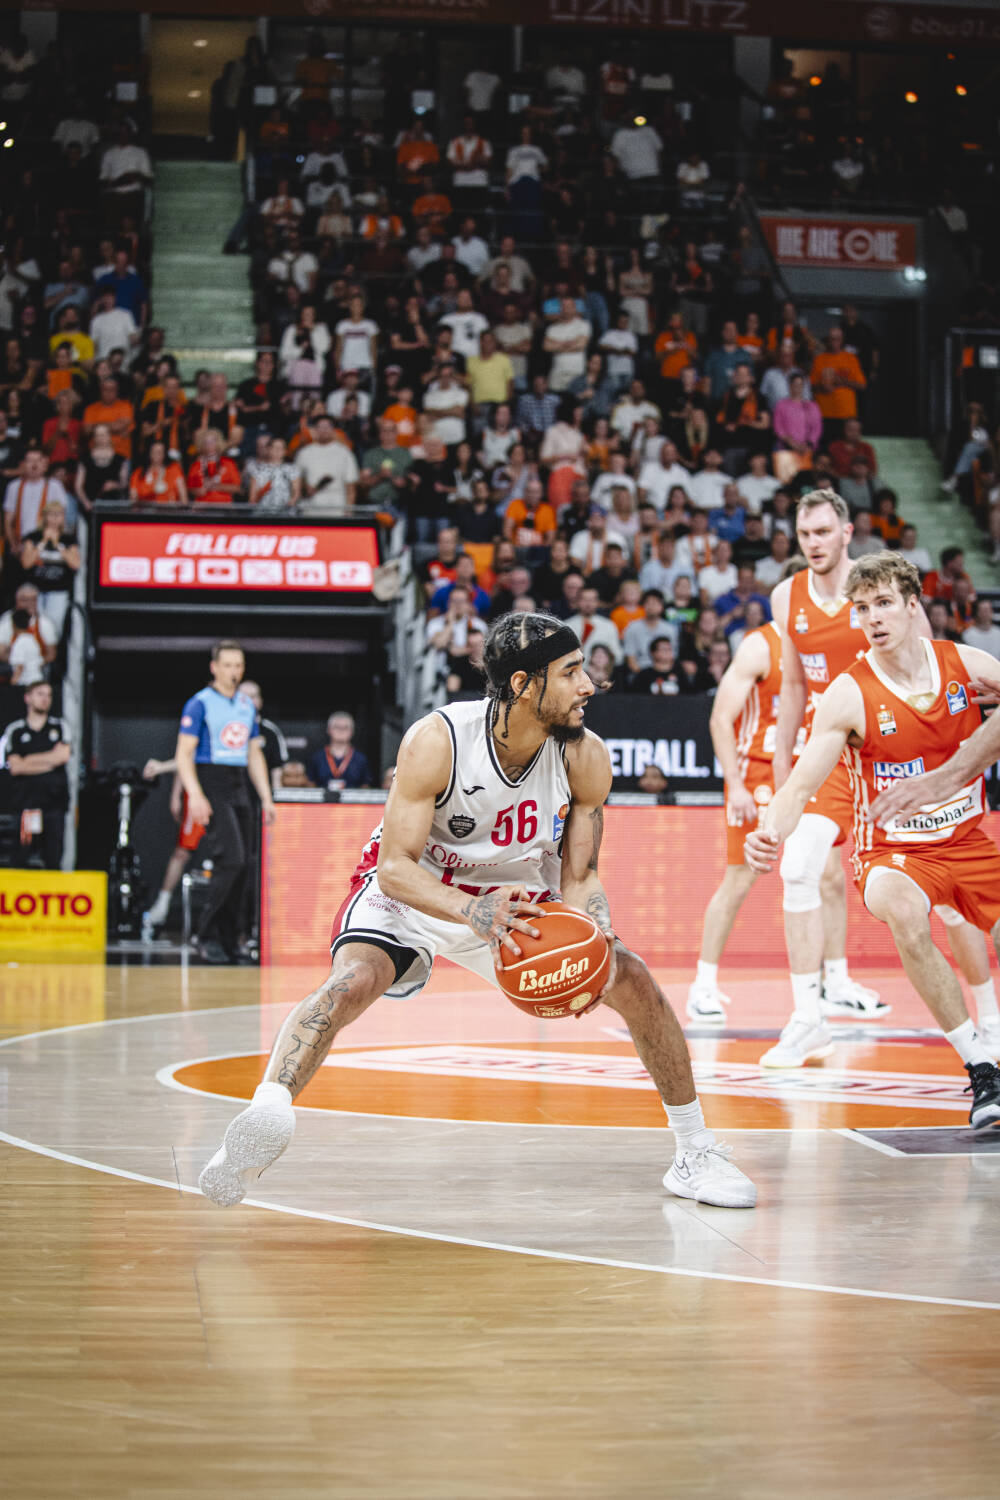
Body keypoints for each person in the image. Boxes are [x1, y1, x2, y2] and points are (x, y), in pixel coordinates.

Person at [198, 612, 756, 1210]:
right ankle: (265, 1116)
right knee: (352, 981)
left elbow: (580, 875)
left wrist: (597, 932)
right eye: (571, 672)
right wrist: (471, 910)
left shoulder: (585, 755)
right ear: (522, 684)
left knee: (634, 978)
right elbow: (394, 868)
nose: (589, 685)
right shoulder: (438, 740)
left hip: (516, 898)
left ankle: (694, 1151)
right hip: (420, 887)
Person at [746, 553, 1000, 1125]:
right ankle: (981, 1068)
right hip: (891, 852)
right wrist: (767, 832)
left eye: (883, 604)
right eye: (862, 609)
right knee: (905, 912)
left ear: (912, 606)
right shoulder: (848, 693)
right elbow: (801, 784)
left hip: (968, 841)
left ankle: (991, 1024)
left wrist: (948, 775)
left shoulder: (966, 664)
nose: (873, 618)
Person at [762, 489, 888, 1065]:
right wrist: (783, 762)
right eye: (804, 534)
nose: (813, 543)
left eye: (822, 532)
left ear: (846, 532)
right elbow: (792, 684)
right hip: (828, 755)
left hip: (891, 750)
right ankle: (808, 1019)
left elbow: (925, 661)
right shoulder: (786, 595)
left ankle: (984, 1024)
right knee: (798, 868)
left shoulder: (878, 587)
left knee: (940, 899)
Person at [174, 641, 276, 964]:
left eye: (238, 665)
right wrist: (195, 794)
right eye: (228, 665)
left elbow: (254, 753)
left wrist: (266, 797)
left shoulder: (246, 705)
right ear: (214, 667)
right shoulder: (200, 703)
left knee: (245, 865)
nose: (233, 671)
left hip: (238, 781)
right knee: (230, 859)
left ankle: (232, 940)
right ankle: (205, 935)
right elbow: (183, 754)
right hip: (211, 778)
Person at [0, 680, 70, 868]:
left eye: (49, 695)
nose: (45, 699)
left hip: (53, 806)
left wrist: (28, 760)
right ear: (27, 698)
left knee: (53, 860)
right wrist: (50, 760)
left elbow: (62, 757)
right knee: (20, 860)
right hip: (26, 806)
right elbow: (16, 767)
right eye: (40, 694)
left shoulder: (59, 727)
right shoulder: (16, 730)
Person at [306, 712, 372, 791]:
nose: (341, 731)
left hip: (353, 799)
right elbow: (310, 784)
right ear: (329, 730)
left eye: (345, 727)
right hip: (323, 799)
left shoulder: (360, 759)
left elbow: (365, 786)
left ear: (352, 731)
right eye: (337, 727)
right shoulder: (317, 757)